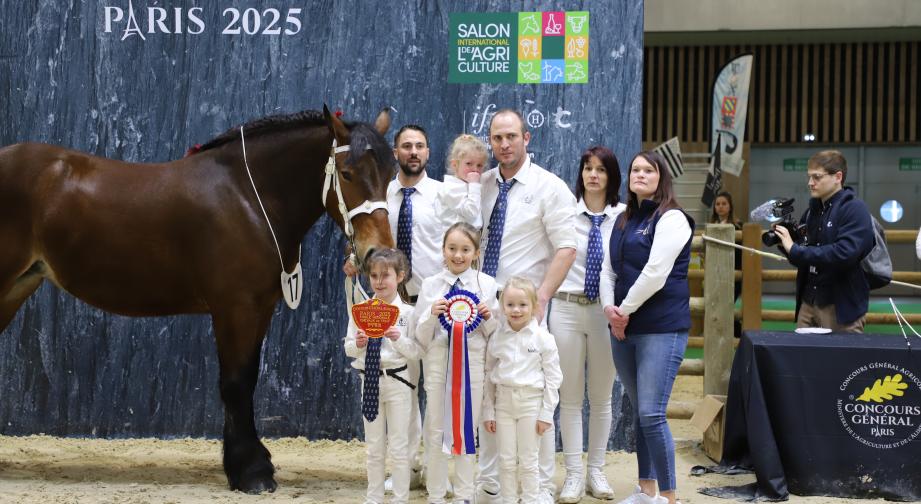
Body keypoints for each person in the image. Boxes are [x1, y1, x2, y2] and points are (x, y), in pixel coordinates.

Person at [476, 109, 577, 504]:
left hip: (526, 309)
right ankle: (492, 483)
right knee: (491, 392)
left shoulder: (549, 187)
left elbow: (566, 247)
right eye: (497, 138)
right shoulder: (481, 185)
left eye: (511, 137)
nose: (504, 144)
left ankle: (538, 487)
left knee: (534, 398)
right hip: (484, 306)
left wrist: (542, 300)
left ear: (526, 138)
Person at [601, 151, 694, 504]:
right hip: (624, 330)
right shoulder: (622, 219)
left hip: (660, 328)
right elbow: (609, 271)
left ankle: (669, 498)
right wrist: (611, 312)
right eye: (635, 169)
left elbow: (655, 273)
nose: (640, 174)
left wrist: (622, 311)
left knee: (652, 413)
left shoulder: (672, 219)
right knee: (640, 412)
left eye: (648, 170)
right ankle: (646, 490)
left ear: (661, 177)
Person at [551, 146, 625, 503]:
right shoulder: (564, 211)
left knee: (601, 396)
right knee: (568, 397)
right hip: (565, 307)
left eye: (600, 169)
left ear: (611, 176)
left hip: (604, 311)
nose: (593, 175)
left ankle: (596, 470)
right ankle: (573, 474)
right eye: (587, 168)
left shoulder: (626, 216)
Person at [414, 222, 499, 504]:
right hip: (438, 367)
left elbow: (496, 338)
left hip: (472, 369)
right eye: (452, 248)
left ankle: (465, 495)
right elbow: (419, 337)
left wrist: (488, 317)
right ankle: (436, 495)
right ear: (443, 250)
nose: (458, 255)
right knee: (435, 431)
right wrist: (430, 313)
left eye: (465, 249)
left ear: (475, 253)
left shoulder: (486, 284)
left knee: (466, 431)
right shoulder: (430, 285)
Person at [343, 249, 422, 504]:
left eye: (385, 275)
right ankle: (373, 498)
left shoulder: (408, 314)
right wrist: (359, 342)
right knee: (374, 447)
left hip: (398, 382)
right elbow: (348, 348)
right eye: (374, 275)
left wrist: (398, 339)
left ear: (400, 277)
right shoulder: (361, 310)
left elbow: (416, 352)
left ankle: (400, 499)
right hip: (370, 381)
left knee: (399, 447)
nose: (379, 281)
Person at [773, 150, 874, 333]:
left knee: (842, 361)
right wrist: (787, 244)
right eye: (809, 177)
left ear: (838, 177)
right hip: (808, 302)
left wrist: (796, 250)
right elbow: (802, 257)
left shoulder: (854, 209)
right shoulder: (812, 210)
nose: (810, 183)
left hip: (840, 307)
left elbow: (844, 254)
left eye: (817, 177)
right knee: (801, 361)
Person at [482, 277, 563, 504]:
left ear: (535, 306)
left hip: (531, 403)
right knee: (506, 459)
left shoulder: (543, 339)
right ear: (502, 307)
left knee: (528, 460)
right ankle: (508, 500)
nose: (516, 310)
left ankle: (530, 499)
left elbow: (553, 378)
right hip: (503, 404)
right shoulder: (497, 338)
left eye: (522, 304)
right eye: (510, 305)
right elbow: (489, 375)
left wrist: (546, 413)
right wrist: (489, 411)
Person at [708, 191, 743, 336]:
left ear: (730, 206)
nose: (720, 207)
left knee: (728, 305)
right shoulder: (710, 226)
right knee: (717, 305)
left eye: (724, 204)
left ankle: (737, 334)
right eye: (717, 204)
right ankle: (721, 333)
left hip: (733, 272)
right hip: (715, 272)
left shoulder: (739, 226)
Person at [438, 134, 489, 229]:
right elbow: (471, 212)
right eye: (469, 164)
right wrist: (474, 185)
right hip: (456, 240)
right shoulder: (450, 188)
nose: (475, 169)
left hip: (473, 239)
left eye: (479, 165)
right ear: (455, 165)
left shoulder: (471, 185)